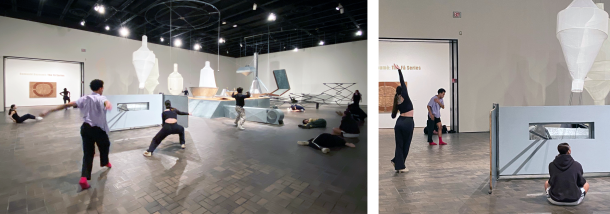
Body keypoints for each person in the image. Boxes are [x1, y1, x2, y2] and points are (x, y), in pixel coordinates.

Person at [40, 79, 112, 190]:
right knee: (105, 145)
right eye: (102, 87)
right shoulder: (101, 97)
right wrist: (108, 104)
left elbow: (68, 104)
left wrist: (50, 110)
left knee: (88, 154)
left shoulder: (84, 98)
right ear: (101, 88)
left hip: (86, 128)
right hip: (98, 130)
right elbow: (105, 102)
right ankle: (105, 162)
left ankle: (84, 178)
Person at [390, 64, 414, 173]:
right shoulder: (405, 95)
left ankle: (397, 161)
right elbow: (402, 81)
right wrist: (399, 70)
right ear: (403, 90)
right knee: (406, 144)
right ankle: (401, 166)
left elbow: (393, 115)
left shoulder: (397, 100)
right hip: (408, 122)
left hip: (399, 123)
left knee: (399, 145)